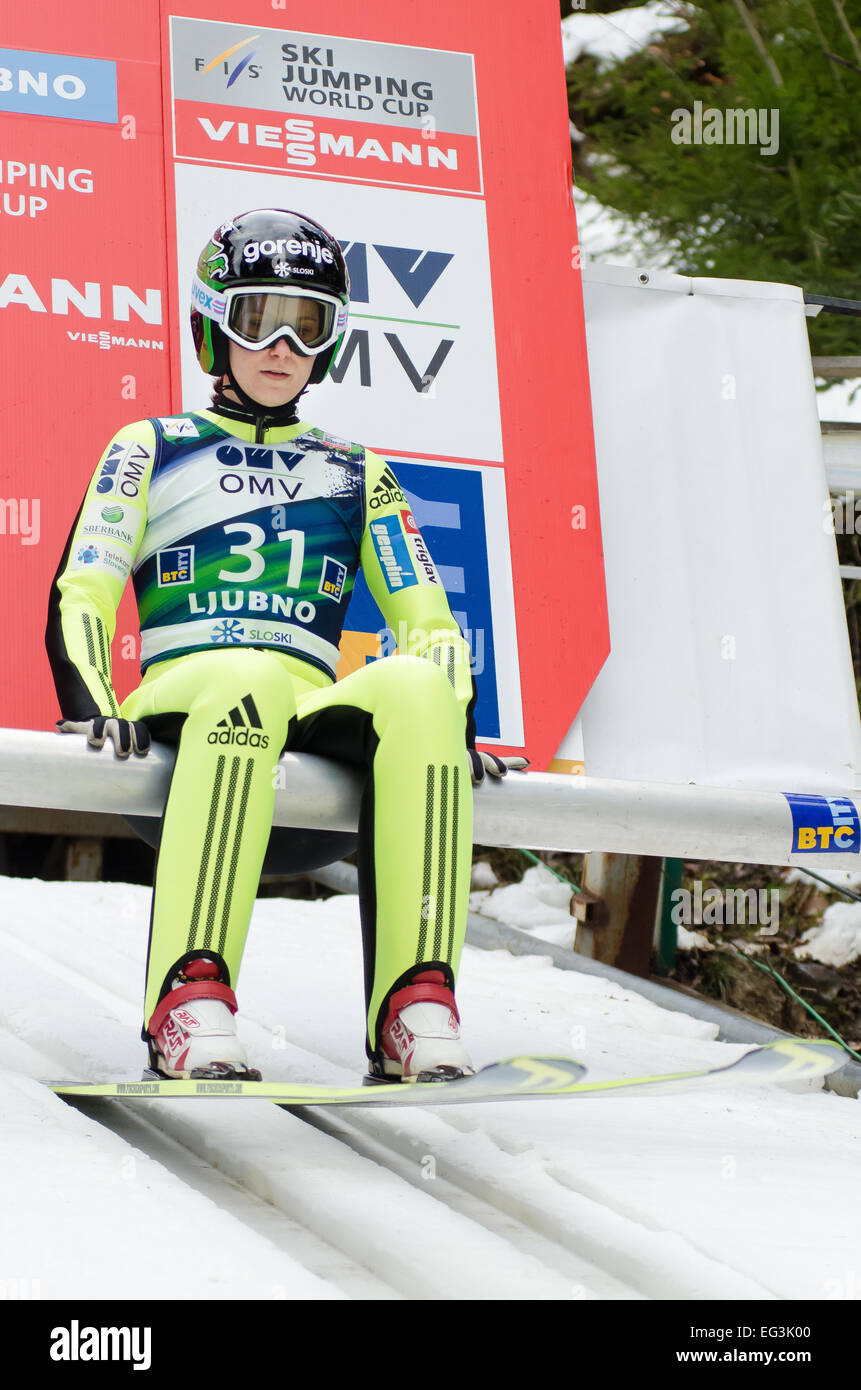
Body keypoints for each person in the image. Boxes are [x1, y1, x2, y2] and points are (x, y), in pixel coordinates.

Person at [46, 207, 526, 1083]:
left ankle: (415, 1003)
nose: (282, 347)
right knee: (246, 675)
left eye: (309, 328)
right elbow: (84, 585)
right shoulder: (151, 446)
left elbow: (426, 620)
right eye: (257, 318)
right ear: (210, 326)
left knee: (416, 687)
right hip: (186, 706)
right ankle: (188, 1002)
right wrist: (91, 704)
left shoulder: (355, 469)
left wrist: (456, 716)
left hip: (302, 714)